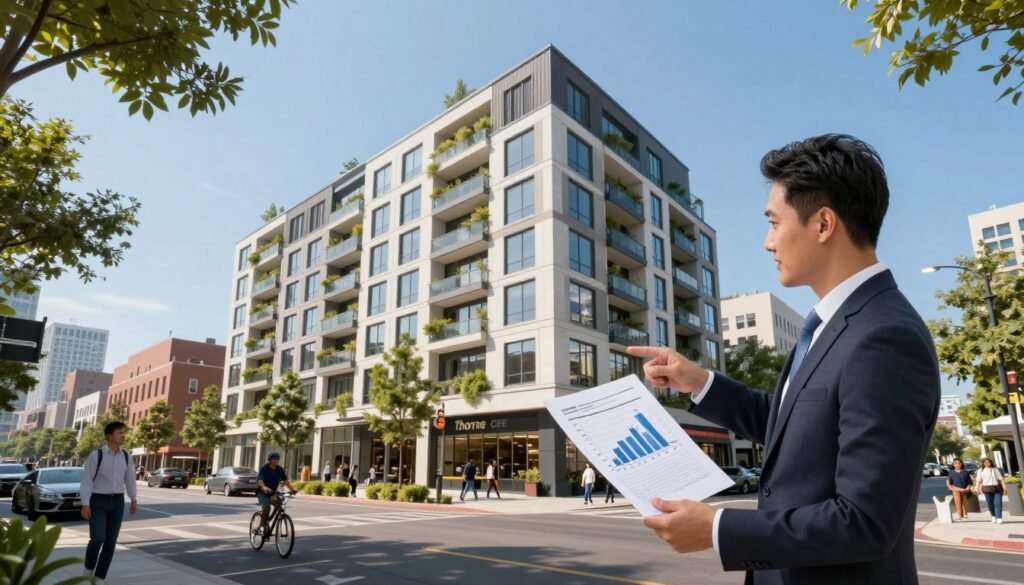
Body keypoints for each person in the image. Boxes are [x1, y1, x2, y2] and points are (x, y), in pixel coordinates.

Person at [628, 135, 940, 585]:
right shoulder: (830, 326)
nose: (767, 242)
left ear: (823, 224)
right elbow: (792, 425)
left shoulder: (883, 337)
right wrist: (698, 382)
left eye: (774, 223)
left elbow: (866, 522)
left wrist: (717, 528)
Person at [79, 421, 138, 584]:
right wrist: (85, 503)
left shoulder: (126, 456)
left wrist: (133, 499)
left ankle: (99, 578)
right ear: (108, 436)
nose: (123, 435)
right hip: (98, 501)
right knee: (98, 538)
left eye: (123, 432)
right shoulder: (96, 455)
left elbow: (130, 479)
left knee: (111, 542)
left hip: (117, 501)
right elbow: (86, 481)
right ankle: (88, 570)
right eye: (119, 433)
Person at [256, 452, 297, 537]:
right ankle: (261, 526)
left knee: (279, 504)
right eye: (274, 459)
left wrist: (292, 489)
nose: (276, 460)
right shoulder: (264, 468)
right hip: (263, 493)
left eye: (277, 459)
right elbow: (260, 480)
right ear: (270, 460)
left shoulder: (279, 469)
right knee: (266, 506)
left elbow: (285, 481)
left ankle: (270, 519)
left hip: (272, 493)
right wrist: (264, 487)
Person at [975, 457, 1006, 524]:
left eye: (988, 461)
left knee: (998, 503)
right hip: (986, 488)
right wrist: (977, 488)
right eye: (985, 462)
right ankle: (993, 516)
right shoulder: (980, 470)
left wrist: (1004, 487)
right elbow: (978, 480)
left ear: (991, 462)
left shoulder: (995, 469)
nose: (986, 463)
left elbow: (1001, 479)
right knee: (990, 504)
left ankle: (999, 518)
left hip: (996, 488)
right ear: (983, 463)